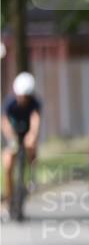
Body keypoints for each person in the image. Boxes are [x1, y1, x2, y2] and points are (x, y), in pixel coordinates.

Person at [1, 72, 42, 217]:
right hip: (11, 135)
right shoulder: (9, 103)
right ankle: (9, 200)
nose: (22, 99)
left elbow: (35, 120)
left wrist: (32, 135)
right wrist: (11, 139)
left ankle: (32, 176)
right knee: (8, 165)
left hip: (26, 134)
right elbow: (4, 122)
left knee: (32, 146)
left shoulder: (34, 103)